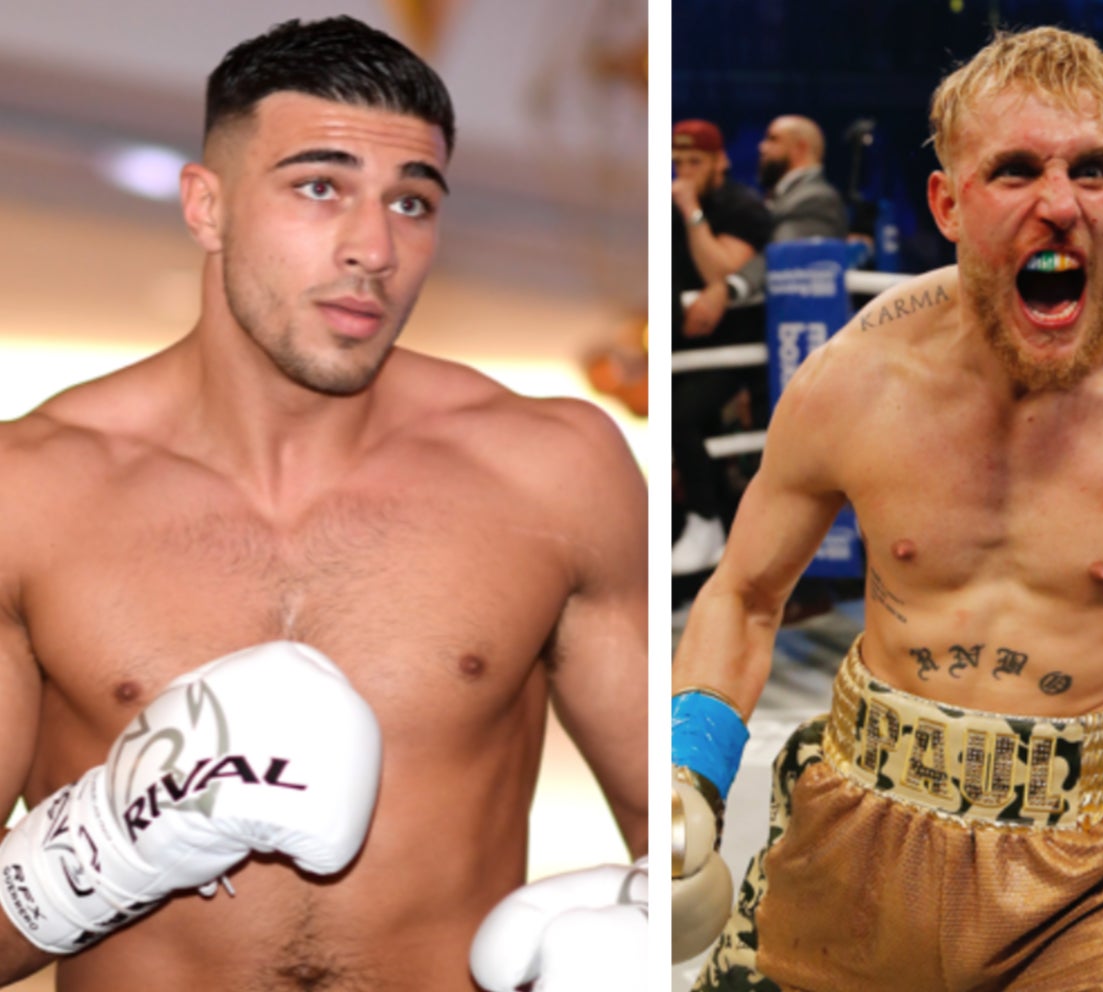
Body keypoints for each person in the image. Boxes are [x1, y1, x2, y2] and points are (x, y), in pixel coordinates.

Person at [0, 16, 646, 992]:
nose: (374, 247)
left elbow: (683, 842)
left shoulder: (554, 473)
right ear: (205, 206)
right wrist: (102, 850)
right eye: (319, 187)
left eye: (414, 202)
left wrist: (666, 944)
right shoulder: (31, 494)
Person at [672, 25, 1103, 991]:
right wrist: (688, 778)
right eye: (1015, 171)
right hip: (854, 825)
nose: (1059, 205)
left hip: (1097, 874)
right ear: (946, 201)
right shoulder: (854, 380)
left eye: (1092, 171)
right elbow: (745, 594)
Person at [671, 119, 772, 573]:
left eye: (695, 161)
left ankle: (706, 521)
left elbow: (720, 272)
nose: (685, 172)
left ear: (720, 161)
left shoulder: (741, 206)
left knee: (683, 419)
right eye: (678, 163)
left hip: (734, 348)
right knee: (689, 437)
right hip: (684, 347)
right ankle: (705, 538)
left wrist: (692, 211)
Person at [726, 114, 850, 303]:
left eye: (773, 139)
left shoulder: (816, 197)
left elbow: (783, 252)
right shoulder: (785, 195)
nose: (762, 147)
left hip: (803, 320)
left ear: (800, 148)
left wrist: (733, 286)